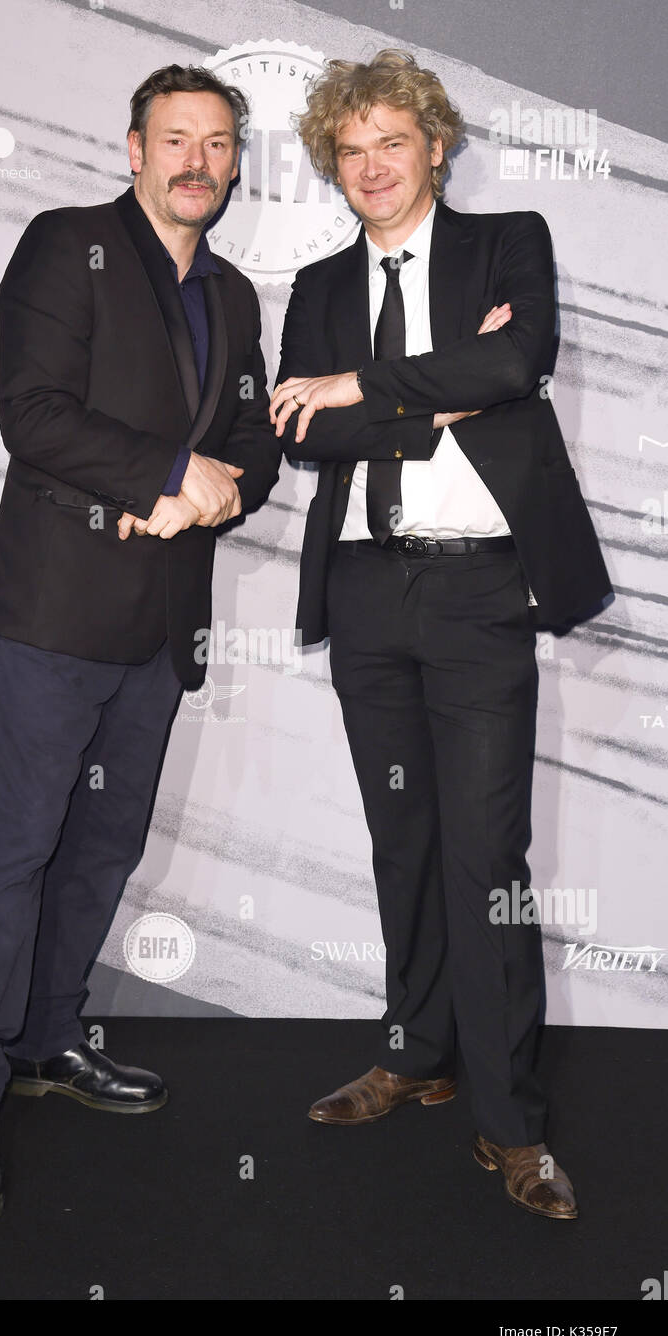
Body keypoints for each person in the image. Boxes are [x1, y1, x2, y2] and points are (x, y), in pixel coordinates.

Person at [0, 63, 281, 1223]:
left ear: (233, 164)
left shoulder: (232, 295)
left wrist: (210, 492)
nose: (196, 161)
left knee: (103, 848)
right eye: (175, 138)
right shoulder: (64, 243)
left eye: (216, 143)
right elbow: (31, 411)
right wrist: (169, 476)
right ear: (134, 149)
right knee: (17, 847)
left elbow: (253, 444)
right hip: (52, 613)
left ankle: (46, 1038)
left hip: (158, 625)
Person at [270, 49, 611, 1219]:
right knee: (401, 843)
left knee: (484, 860)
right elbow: (300, 433)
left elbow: (517, 359)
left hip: (477, 595)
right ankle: (413, 1053)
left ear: (434, 145)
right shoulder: (318, 283)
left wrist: (360, 387)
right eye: (349, 150)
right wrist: (433, 398)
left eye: (391, 143)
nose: (370, 166)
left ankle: (510, 1126)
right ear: (333, 166)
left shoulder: (505, 241)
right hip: (365, 589)